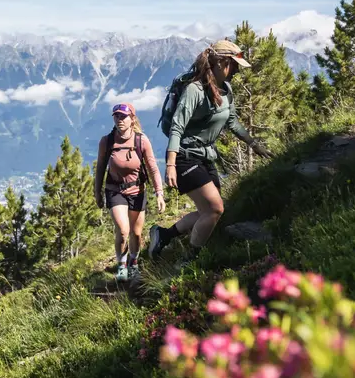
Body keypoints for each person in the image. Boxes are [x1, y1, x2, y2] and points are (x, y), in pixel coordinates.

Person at [148, 39, 272, 260]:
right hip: (185, 157)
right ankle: (190, 261)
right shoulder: (194, 90)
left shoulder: (226, 90)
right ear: (220, 62)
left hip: (205, 156)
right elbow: (177, 126)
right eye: (232, 66)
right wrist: (170, 165)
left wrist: (254, 145)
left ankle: (163, 235)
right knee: (215, 209)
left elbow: (232, 121)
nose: (235, 71)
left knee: (210, 212)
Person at [94, 102, 165, 282]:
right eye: (116, 116)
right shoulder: (107, 141)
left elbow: (153, 169)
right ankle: (122, 265)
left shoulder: (141, 141)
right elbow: (100, 168)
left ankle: (134, 262)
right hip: (114, 190)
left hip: (137, 190)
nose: (119, 120)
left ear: (132, 119)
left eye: (123, 116)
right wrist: (97, 192)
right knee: (123, 231)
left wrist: (159, 193)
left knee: (136, 233)